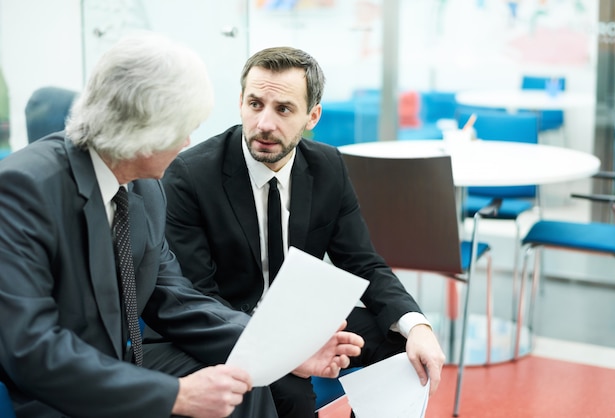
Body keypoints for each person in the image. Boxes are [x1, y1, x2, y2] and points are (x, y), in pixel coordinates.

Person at [0, 33, 364, 418]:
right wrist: (173, 395)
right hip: (58, 390)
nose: (188, 141)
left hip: (123, 362)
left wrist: (281, 351)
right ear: (142, 130)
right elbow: (30, 348)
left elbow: (174, 297)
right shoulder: (24, 189)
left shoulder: (145, 188)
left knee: (242, 383)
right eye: (182, 128)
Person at [161, 46, 446, 417]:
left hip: (305, 318)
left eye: (283, 109)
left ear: (312, 116)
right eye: (255, 103)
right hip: (236, 327)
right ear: (240, 103)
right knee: (293, 396)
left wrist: (417, 325)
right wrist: (284, 350)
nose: (264, 123)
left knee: (402, 353)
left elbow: (362, 262)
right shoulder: (191, 175)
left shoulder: (328, 166)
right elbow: (199, 295)